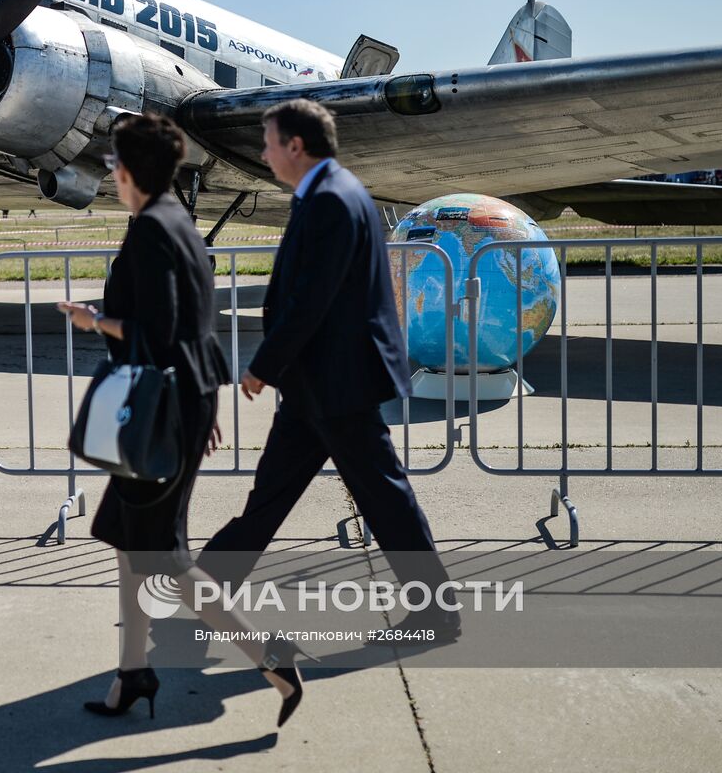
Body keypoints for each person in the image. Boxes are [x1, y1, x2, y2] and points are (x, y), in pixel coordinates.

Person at [57, 112, 311, 728]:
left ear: (133, 170)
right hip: (180, 403)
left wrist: (94, 321)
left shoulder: (152, 229)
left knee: (164, 556)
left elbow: (164, 332)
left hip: (162, 411)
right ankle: (131, 672)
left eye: (116, 161)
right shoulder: (177, 223)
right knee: (129, 540)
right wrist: (204, 404)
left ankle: (269, 656)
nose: (111, 171)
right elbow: (200, 330)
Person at [200, 98, 459, 640]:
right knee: (272, 492)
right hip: (318, 381)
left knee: (384, 496)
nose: (265, 154)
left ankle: (435, 612)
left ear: (296, 146)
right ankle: (208, 584)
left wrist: (263, 365)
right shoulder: (328, 192)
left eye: (270, 143)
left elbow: (310, 300)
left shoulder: (332, 201)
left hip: (337, 381)